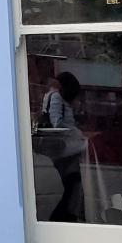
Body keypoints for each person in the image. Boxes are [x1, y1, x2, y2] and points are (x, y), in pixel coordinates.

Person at [38, 72, 87, 223]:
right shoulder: (56, 97)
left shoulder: (55, 97)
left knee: (73, 185)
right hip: (64, 150)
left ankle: (67, 217)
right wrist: (77, 132)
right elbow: (57, 122)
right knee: (73, 185)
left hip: (66, 149)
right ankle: (62, 218)